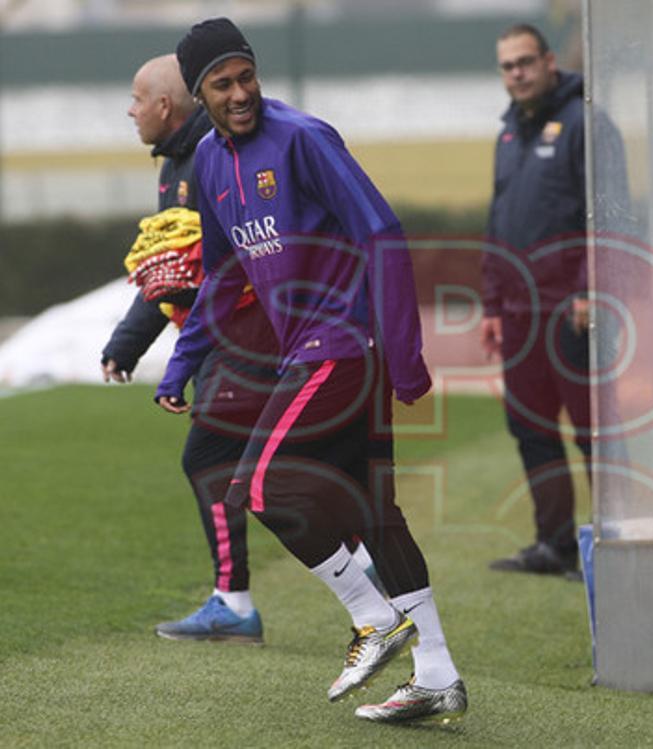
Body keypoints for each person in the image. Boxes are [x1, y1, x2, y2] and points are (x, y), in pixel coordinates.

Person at [156, 18, 465, 723]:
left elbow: (382, 232)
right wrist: (182, 363)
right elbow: (225, 269)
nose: (240, 93)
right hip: (315, 350)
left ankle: (372, 618)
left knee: (257, 483)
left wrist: (407, 357)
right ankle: (437, 674)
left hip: (344, 345)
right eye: (222, 84)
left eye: (246, 76)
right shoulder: (207, 160)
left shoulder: (303, 137)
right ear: (200, 94)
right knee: (375, 515)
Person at [101, 54, 279, 643]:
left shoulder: (211, 156)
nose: (129, 110)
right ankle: (365, 558)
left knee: (211, 462)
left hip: (242, 337)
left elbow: (212, 267)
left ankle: (236, 603)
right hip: (217, 341)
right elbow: (169, 270)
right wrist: (129, 344)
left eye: (135, 98)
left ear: (164, 106)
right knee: (272, 465)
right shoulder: (177, 162)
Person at [481, 23, 594, 576]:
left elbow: (607, 211)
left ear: (549, 61)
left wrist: (588, 288)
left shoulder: (584, 122)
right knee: (531, 429)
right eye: (507, 66)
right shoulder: (508, 132)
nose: (517, 74)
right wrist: (491, 303)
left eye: (525, 62)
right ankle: (556, 544)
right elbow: (499, 220)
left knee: (593, 430)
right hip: (520, 314)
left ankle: (611, 546)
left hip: (573, 312)